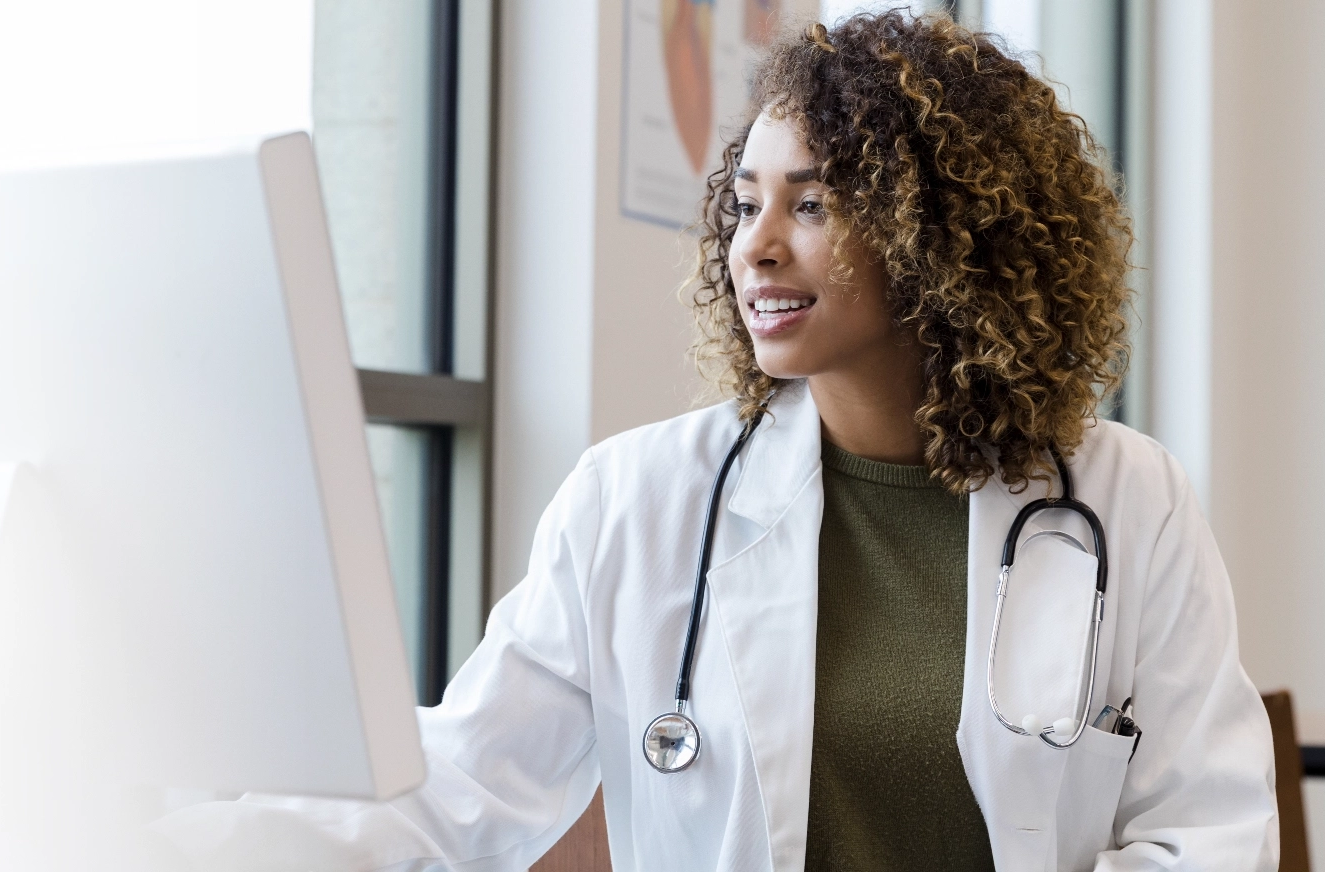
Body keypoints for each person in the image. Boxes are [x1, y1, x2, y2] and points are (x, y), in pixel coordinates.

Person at [156, 13, 1275, 871]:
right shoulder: (636, 500)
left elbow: (1205, 825)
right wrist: (179, 819)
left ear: (940, 235)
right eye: (744, 204)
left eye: (814, 205)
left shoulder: (1127, 500)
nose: (757, 249)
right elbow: (458, 783)